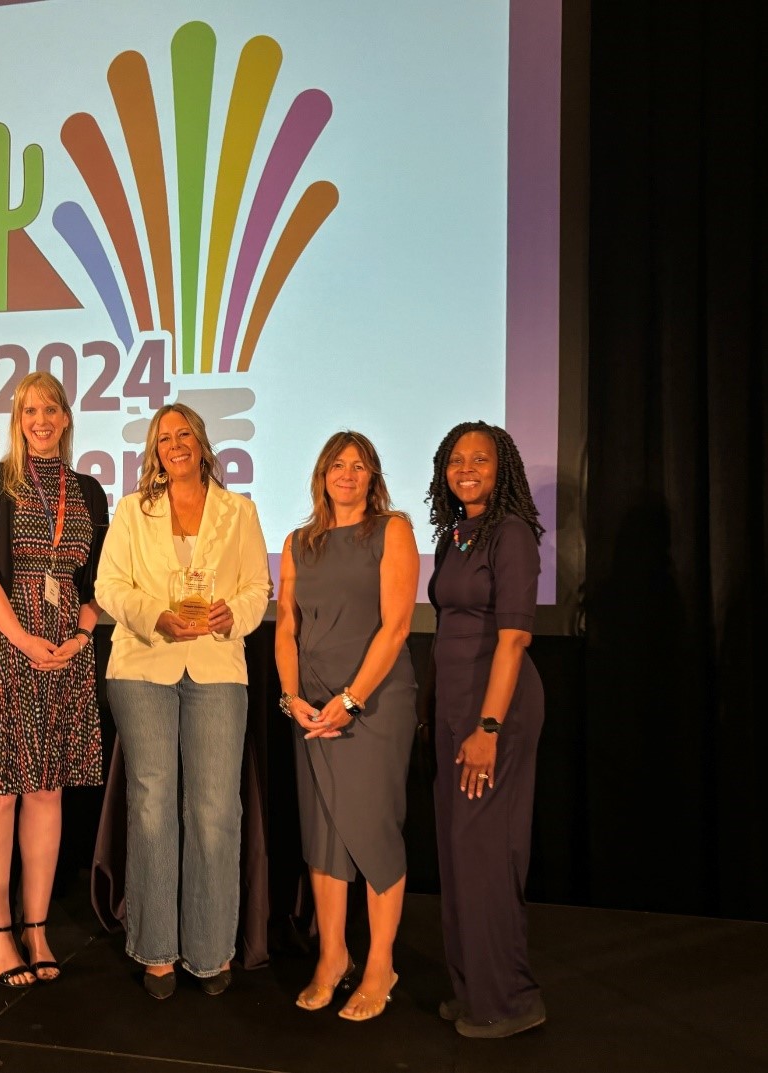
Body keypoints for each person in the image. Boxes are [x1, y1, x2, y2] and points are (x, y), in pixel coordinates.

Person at [94, 403, 271, 999]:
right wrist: (156, 618)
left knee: (216, 811)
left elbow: (257, 588)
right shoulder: (131, 511)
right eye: (164, 437)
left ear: (201, 441)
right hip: (143, 662)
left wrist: (233, 615)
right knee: (152, 806)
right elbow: (109, 585)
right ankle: (156, 950)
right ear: (155, 450)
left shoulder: (238, 510)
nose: (175, 444)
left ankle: (210, 948)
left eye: (184, 433)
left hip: (218, 665)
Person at [0, 372, 108, 988]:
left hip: (65, 650)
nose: (39, 419)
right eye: (28, 409)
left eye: (50, 409)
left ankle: (36, 927)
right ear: (17, 419)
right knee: (0, 791)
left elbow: (98, 585)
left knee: (47, 791)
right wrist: (21, 638)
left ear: (67, 418)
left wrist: (81, 636)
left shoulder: (90, 493)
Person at [274, 431, 418, 1022]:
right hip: (309, 704)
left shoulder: (393, 531)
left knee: (373, 825)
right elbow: (286, 625)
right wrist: (291, 697)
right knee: (323, 830)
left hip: (376, 702)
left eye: (359, 466)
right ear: (322, 474)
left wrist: (352, 699)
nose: (348, 474)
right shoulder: (296, 543)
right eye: (338, 464)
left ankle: (380, 963)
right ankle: (333, 957)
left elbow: (398, 626)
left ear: (373, 475)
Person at [426, 420, 547, 1037]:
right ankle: (473, 985)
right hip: (454, 709)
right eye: (455, 459)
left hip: (493, 712)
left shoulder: (512, 533)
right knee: (458, 853)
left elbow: (515, 636)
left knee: (487, 854)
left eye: (480, 458)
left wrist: (489, 727)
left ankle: (509, 999)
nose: (465, 468)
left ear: (503, 470)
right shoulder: (457, 533)